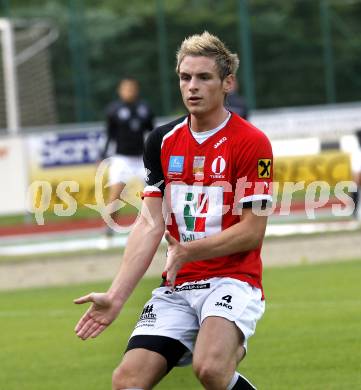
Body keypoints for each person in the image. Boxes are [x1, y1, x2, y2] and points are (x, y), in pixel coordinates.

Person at [75, 31, 273, 390]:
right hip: (178, 286)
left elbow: (252, 231)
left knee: (211, 369)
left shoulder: (251, 142)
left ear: (227, 83)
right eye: (185, 77)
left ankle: (223, 341)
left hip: (233, 280)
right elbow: (150, 223)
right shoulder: (162, 141)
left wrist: (188, 250)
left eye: (204, 77)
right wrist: (116, 296)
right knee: (127, 381)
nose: (192, 86)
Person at [101, 78, 154, 233]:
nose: (129, 91)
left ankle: (159, 226)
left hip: (141, 159)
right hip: (121, 159)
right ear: (120, 91)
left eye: (132, 88)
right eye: (126, 88)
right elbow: (109, 135)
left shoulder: (145, 109)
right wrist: (103, 155)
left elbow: (151, 133)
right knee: (115, 194)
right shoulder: (113, 110)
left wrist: (154, 153)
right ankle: (109, 228)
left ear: (136, 90)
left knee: (155, 194)